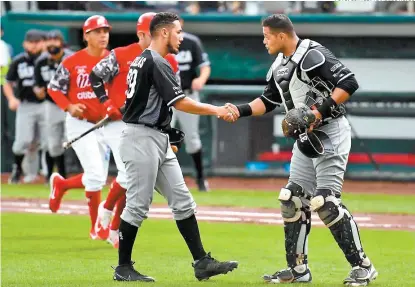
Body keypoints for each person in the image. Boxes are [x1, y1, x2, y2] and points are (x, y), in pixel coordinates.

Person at [223, 14, 378, 286]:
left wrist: (318, 111)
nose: (264, 41)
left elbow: (349, 83)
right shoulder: (279, 65)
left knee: (325, 202)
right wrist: (240, 110)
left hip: (330, 131)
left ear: (282, 35)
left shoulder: (312, 53)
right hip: (305, 138)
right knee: (291, 198)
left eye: (266, 36)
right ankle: (298, 270)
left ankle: (363, 266)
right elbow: (268, 100)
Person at [112, 12, 238, 282]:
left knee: (183, 202)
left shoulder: (146, 58)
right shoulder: (156, 61)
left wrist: (167, 130)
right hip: (141, 138)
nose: (181, 37)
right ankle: (123, 267)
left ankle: (201, 262)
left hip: (155, 137)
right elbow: (180, 102)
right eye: (178, 31)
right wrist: (217, 109)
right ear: (164, 32)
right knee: (137, 206)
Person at [89, 12, 181, 249]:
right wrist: (106, 102)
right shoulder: (121, 54)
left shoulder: (169, 59)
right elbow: (95, 76)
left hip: (150, 126)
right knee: (128, 175)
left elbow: (172, 99)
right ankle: (110, 216)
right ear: (142, 34)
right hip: (120, 122)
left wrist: (168, 131)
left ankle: (112, 221)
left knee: (132, 181)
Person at [47, 15, 124, 241]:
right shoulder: (72, 61)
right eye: (98, 31)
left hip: (107, 124)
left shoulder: (113, 60)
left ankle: (61, 184)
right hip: (80, 123)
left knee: (103, 175)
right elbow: (54, 88)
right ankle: (96, 227)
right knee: (96, 174)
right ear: (86, 35)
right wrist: (69, 106)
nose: (103, 35)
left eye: (105, 31)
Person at [173, 15, 211, 191]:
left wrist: (201, 79)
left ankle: (201, 179)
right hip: (166, 99)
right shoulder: (161, 43)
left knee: (193, 140)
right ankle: (160, 181)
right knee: (162, 140)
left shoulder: (190, 41)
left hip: (187, 95)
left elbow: (205, 66)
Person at [3, 29, 47, 184]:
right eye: (31, 42)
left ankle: (39, 175)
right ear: (25, 43)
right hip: (26, 104)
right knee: (24, 141)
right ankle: (17, 170)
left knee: (44, 141)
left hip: (46, 105)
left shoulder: (49, 60)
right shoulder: (19, 60)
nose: (34, 45)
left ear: (43, 42)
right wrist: (11, 98)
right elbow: (7, 81)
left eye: (37, 42)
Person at [34, 30, 73, 181]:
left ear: (61, 42)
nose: (52, 44)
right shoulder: (41, 62)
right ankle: (54, 176)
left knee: (73, 139)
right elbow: (37, 85)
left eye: (55, 40)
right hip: (52, 104)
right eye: (49, 41)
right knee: (53, 142)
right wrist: (38, 91)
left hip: (71, 104)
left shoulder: (71, 58)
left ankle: (88, 174)